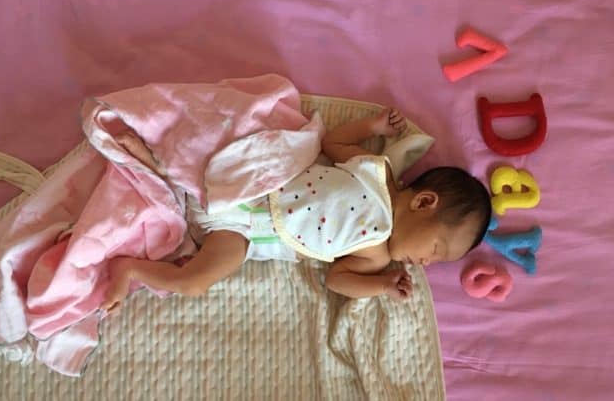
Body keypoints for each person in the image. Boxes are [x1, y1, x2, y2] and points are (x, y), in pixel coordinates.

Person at [100, 108, 492, 312]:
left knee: (197, 282)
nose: (427, 263)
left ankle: (131, 268)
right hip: (256, 187)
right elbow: (334, 142)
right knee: (197, 169)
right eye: (436, 248)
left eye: (435, 261)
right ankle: (154, 163)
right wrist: (371, 127)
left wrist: (383, 286)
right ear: (424, 202)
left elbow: (337, 280)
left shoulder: (376, 256)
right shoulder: (377, 172)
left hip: (241, 236)